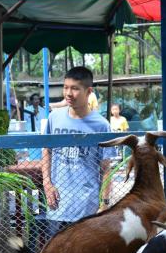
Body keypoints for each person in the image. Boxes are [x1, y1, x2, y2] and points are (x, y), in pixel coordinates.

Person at [42, 67, 115, 236]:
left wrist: (104, 203)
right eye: (66, 87)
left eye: (75, 88)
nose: (68, 93)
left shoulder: (101, 125)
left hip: (86, 206)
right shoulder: (55, 118)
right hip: (57, 203)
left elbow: (106, 169)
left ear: (89, 91)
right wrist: (47, 184)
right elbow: (47, 150)